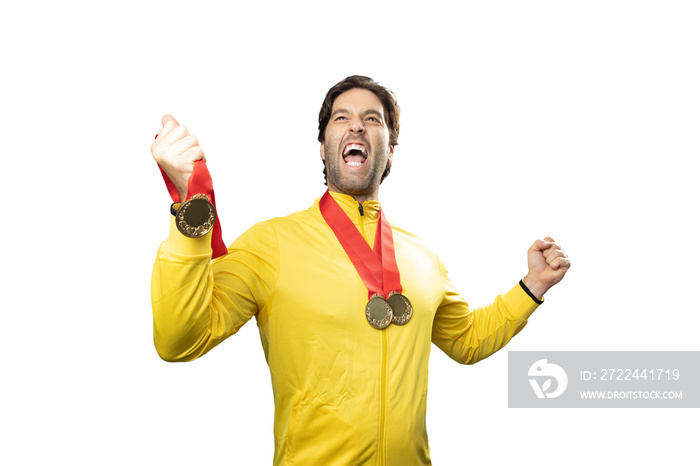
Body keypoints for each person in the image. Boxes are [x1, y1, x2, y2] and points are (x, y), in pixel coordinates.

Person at [150, 75, 570, 465]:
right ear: (322, 145)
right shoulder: (271, 243)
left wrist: (532, 286)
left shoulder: (424, 255)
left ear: (390, 149)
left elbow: (468, 342)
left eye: (373, 119)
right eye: (341, 118)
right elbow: (180, 340)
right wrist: (192, 209)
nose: (357, 127)